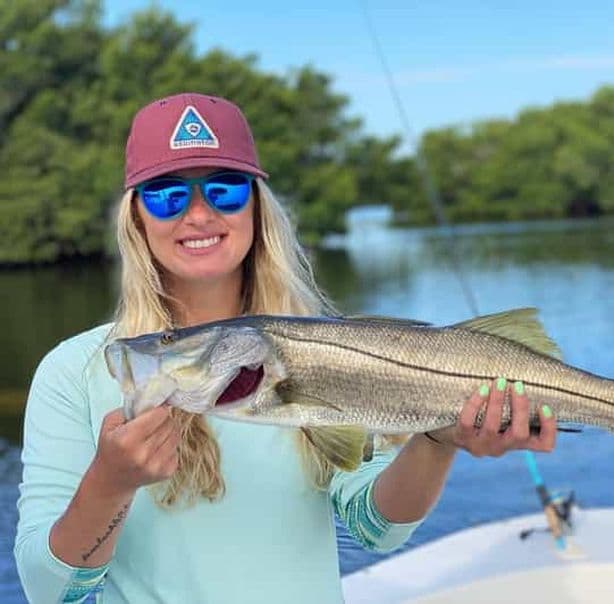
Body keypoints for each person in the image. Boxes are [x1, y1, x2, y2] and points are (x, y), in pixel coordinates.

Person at [14, 92, 557, 603]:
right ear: (136, 217)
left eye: (224, 188)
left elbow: (378, 529)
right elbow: (49, 590)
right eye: (168, 194)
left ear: (257, 207)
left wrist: (438, 440)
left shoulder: (324, 350)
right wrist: (110, 484)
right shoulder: (72, 371)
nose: (199, 214)